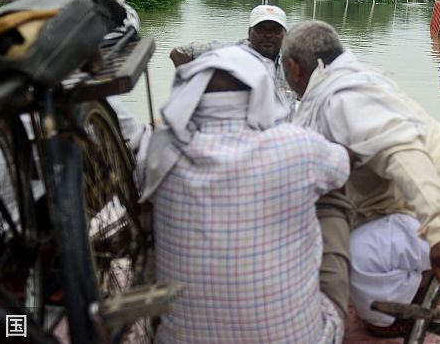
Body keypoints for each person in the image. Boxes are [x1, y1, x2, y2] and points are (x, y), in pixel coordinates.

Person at [134, 44, 352, 344]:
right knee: (331, 196)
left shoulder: (160, 147)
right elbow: (342, 168)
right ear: (261, 94)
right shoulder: (297, 145)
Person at [280, 20, 440, 336]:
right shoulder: (351, 80)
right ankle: (416, 274)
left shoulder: (343, 99)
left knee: (354, 255)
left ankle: (392, 319)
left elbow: (403, 153)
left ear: (293, 68)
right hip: (423, 199)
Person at [170, 4, 294, 108]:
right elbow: (180, 52)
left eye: (276, 30)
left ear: (285, 34)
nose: (268, 35)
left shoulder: (295, 62)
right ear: (249, 33)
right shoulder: (231, 53)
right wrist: (198, 88)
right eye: (260, 29)